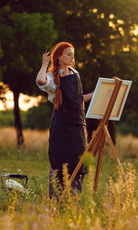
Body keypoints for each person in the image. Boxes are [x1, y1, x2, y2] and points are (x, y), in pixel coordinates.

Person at [36, 42, 93, 197]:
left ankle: (73, 201)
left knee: (78, 164)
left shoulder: (75, 73)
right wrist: (44, 64)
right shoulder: (51, 77)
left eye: (73, 54)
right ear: (59, 58)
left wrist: (97, 93)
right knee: (59, 163)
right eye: (68, 54)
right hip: (61, 128)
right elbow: (40, 81)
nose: (72, 57)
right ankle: (55, 201)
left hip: (77, 127)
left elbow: (79, 99)